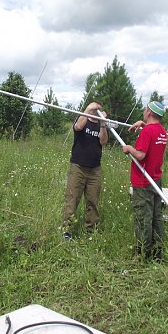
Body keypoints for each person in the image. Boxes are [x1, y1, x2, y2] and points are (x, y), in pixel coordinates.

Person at [122, 101, 167, 260]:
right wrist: (143, 125)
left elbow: (140, 155)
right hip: (156, 179)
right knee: (156, 216)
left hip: (143, 181)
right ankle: (157, 251)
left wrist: (129, 148)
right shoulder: (162, 131)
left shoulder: (147, 132)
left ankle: (142, 253)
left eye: (144, 109)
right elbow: (152, 139)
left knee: (143, 218)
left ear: (148, 112)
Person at [62, 101, 108, 240]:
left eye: (98, 109)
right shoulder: (82, 118)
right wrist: (88, 109)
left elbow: (103, 141)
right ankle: (67, 231)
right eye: (94, 109)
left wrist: (103, 123)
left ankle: (91, 230)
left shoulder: (100, 124)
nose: (96, 112)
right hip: (78, 167)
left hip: (95, 169)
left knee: (93, 200)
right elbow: (78, 127)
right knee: (72, 199)